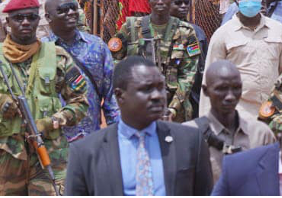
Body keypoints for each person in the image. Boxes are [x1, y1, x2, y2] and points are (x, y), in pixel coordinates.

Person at [64, 57, 213, 196]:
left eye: (160, 88)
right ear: (120, 95)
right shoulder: (86, 152)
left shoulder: (190, 141)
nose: (157, 96)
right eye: (146, 89)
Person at [0, 0, 88, 196]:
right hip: (7, 158)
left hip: (49, 153)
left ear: (39, 20)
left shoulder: (57, 56)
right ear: (8, 23)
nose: (25, 22)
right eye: (19, 18)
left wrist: (53, 121)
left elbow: (80, 103)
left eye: (31, 17)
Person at [108, 0, 202, 123]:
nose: (160, 2)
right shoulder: (131, 28)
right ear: (148, 0)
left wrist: (173, 108)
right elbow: (114, 63)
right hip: (137, 105)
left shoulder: (185, 32)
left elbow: (188, 74)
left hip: (174, 109)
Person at [204, 0, 282, 118]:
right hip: (238, 114)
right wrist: (208, 123)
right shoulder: (223, 34)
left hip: (274, 113)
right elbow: (210, 80)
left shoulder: (278, 30)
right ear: (236, 0)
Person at [42, 0, 120, 142]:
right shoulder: (40, 51)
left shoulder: (97, 46)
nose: (70, 13)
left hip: (91, 138)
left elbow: (111, 95)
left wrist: (116, 133)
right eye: (63, 10)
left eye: (72, 8)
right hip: (53, 144)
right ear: (48, 17)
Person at [186, 60, 275, 182]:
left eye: (236, 88)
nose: (230, 96)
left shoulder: (261, 134)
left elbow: (271, 182)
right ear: (206, 91)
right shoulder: (188, 134)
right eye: (221, 89)